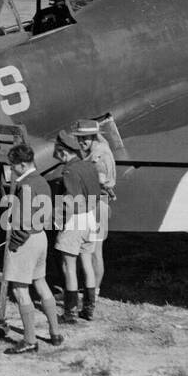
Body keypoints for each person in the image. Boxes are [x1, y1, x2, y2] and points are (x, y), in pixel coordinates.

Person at [0, 143, 63, 354]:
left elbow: (23, 223)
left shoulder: (25, 185)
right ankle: (55, 333)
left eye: (13, 166)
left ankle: (30, 340)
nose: (11, 170)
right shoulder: (42, 181)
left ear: (23, 165)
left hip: (25, 240)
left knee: (19, 289)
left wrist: (13, 244)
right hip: (41, 237)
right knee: (41, 283)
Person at [52, 130, 103, 323]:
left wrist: (58, 218)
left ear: (63, 151)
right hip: (91, 218)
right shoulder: (89, 166)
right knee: (87, 264)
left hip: (76, 220)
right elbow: (96, 194)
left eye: (57, 152)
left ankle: (70, 313)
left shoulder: (69, 171)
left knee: (69, 266)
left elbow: (71, 200)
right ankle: (88, 310)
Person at [73, 118, 116, 294]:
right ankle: (89, 290)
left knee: (95, 251)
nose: (81, 142)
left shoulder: (97, 156)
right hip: (95, 203)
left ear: (94, 136)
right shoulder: (100, 147)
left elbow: (100, 180)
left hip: (97, 204)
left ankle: (94, 293)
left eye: (85, 138)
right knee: (89, 251)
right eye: (79, 138)